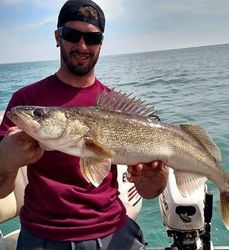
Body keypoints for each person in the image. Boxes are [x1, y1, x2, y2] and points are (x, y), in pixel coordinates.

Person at [0, 0, 168, 249]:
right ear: (58, 37)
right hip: (43, 236)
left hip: (115, 229)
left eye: (92, 38)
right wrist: (6, 158)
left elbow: (150, 192)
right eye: (72, 35)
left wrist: (156, 177)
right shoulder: (26, 100)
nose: (82, 46)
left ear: (101, 43)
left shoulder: (114, 108)